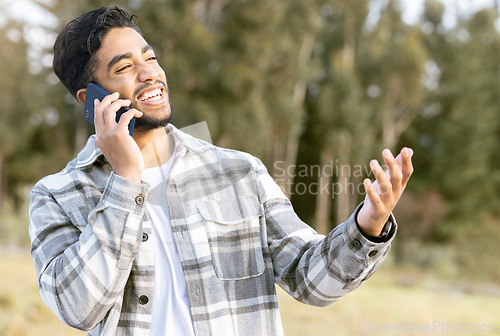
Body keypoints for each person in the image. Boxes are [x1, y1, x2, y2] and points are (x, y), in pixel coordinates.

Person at [28, 6, 414, 336]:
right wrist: (126, 179)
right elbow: (77, 307)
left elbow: (311, 281)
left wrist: (368, 223)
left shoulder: (239, 172)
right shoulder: (57, 195)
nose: (149, 74)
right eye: (125, 67)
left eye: (150, 57)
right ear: (91, 99)